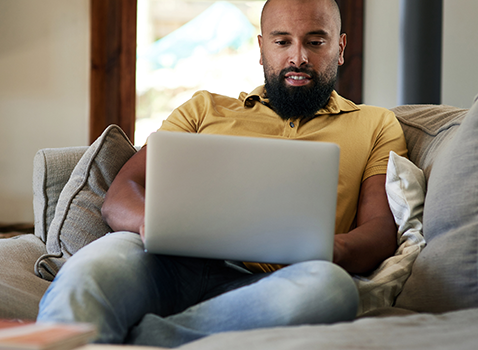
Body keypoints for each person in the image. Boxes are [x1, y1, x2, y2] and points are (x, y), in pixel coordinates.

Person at [37, 0, 408, 347]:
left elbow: (379, 229)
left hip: (281, 283)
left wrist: (332, 249)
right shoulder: (203, 110)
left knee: (331, 289)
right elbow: (121, 193)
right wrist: (154, 224)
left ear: (340, 48)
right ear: (261, 48)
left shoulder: (376, 125)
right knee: (96, 264)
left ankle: (147, 340)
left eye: (315, 42)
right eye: (282, 42)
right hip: (169, 264)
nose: (298, 57)